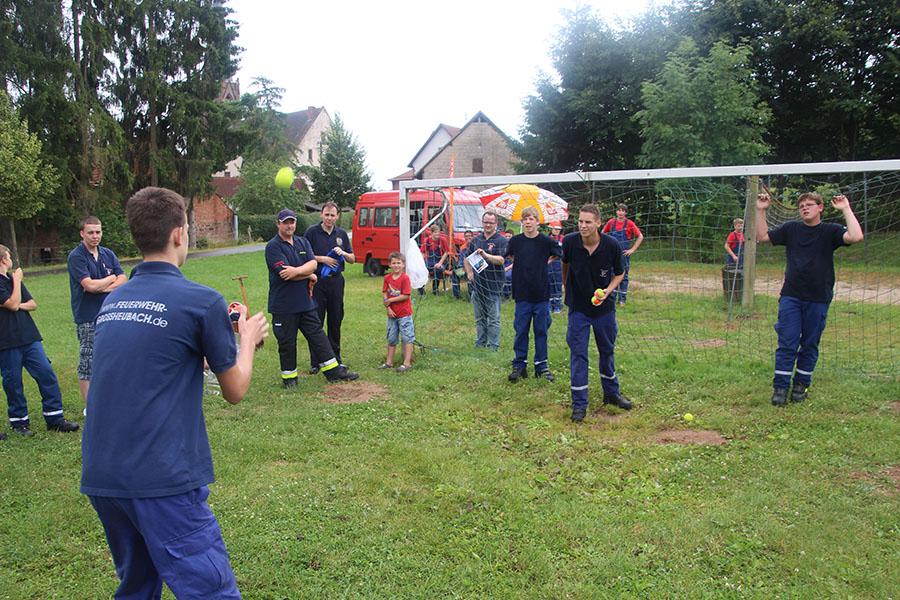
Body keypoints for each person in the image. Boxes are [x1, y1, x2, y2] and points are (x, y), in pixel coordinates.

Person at [80, 187, 269, 598]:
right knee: (209, 590)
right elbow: (234, 388)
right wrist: (247, 340)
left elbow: (149, 358)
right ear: (180, 233)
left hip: (103, 473)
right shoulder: (201, 301)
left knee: (138, 587)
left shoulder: (114, 300)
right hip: (160, 477)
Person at [756, 191, 863, 406]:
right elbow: (763, 237)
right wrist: (760, 210)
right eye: (802, 205)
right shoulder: (791, 229)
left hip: (818, 298)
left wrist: (845, 209)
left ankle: (801, 385)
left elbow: (856, 236)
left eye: (809, 204)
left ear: (820, 207)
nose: (805, 208)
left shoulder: (830, 231)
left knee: (810, 344)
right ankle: (780, 388)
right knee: (787, 341)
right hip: (791, 296)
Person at [266, 209, 358, 386]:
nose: (289, 225)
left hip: (305, 301)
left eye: (292, 222)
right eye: (285, 222)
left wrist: (299, 271)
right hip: (284, 305)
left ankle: (333, 371)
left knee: (318, 336)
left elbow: (313, 263)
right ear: (278, 224)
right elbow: (284, 273)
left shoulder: (302, 242)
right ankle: (289, 379)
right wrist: (308, 274)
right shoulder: (273, 246)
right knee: (287, 342)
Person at [562, 205, 632, 422]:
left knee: (607, 350)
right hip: (578, 309)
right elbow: (565, 265)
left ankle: (611, 394)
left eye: (588, 222)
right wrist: (567, 288)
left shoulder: (612, 245)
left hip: (604, 310)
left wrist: (608, 292)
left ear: (598, 223)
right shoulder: (570, 242)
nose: (583, 226)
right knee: (579, 353)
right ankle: (579, 404)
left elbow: (620, 274)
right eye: (580, 221)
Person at [0, 245, 79, 437]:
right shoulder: (12, 281)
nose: (12, 260)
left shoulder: (10, 279)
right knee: (14, 383)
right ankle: (19, 423)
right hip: (7, 342)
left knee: (46, 374)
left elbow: (32, 304)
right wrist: (17, 284)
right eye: (9, 256)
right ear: (3, 259)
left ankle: (55, 418)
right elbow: (10, 303)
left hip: (30, 337)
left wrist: (16, 302)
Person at [481, 207, 561, 382]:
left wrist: (544, 262)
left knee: (541, 331)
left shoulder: (546, 241)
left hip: (541, 294)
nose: (528, 222)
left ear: (537, 221)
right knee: (521, 330)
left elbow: (558, 254)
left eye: (531, 219)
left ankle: (541, 366)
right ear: (521, 222)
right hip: (522, 293)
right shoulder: (516, 241)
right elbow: (507, 256)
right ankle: (519, 365)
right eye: (525, 219)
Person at [67, 215, 127, 410]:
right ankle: (89, 406)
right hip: (88, 316)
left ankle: (109, 398)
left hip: (110, 313)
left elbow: (123, 279)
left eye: (98, 232)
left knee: (111, 355)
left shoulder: (108, 254)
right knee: (89, 359)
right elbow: (89, 286)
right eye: (91, 232)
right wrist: (110, 279)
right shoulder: (76, 256)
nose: (95, 236)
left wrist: (103, 284)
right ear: (82, 233)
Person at [303, 201, 355, 374]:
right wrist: (323, 259)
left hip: (336, 282)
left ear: (337, 216)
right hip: (316, 281)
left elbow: (353, 258)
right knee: (316, 320)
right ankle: (316, 361)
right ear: (321, 215)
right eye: (327, 214)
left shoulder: (341, 234)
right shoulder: (311, 232)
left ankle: (335, 358)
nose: (329, 218)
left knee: (335, 319)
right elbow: (303, 255)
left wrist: (344, 254)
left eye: (333, 215)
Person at [463, 212, 508, 351]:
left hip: (494, 286)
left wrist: (485, 255)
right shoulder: (476, 240)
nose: (488, 225)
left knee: (493, 318)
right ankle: (480, 343)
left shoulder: (501, 240)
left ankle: (493, 346)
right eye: (485, 222)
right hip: (478, 285)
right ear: (482, 222)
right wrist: (469, 272)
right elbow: (466, 258)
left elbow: (501, 260)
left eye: (491, 222)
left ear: (496, 224)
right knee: (479, 318)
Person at [601, 203, 644, 306]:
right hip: (611, 254)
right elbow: (602, 234)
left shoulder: (630, 224)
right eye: (619, 210)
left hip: (624, 254)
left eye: (623, 210)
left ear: (625, 213)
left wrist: (632, 250)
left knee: (623, 276)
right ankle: (611, 297)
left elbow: (640, 237)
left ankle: (622, 300)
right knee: (612, 275)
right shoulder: (611, 222)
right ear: (616, 212)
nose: (621, 212)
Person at [380, 252, 415, 372]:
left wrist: (390, 300)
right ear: (389, 264)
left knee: (407, 337)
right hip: (392, 315)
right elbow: (384, 293)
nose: (396, 265)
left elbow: (405, 295)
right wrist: (388, 307)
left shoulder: (405, 278)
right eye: (393, 263)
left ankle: (407, 363)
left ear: (403, 265)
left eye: (399, 263)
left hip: (404, 314)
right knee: (391, 338)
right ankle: (389, 362)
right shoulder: (387, 278)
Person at [420, 224, 449, 294]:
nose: (437, 234)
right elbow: (422, 253)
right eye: (435, 232)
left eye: (438, 232)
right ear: (431, 233)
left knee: (439, 269)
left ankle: (435, 289)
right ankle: (421, 289)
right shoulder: (427, 240)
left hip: (440, 261)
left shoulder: (443, 240)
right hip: (429, 261)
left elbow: (446, 252)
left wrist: (440, 263)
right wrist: (421, 264)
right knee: (421, 270)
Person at [451, 230, 475, 300]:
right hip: (464, 269)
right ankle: (456, 296)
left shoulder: (476, 246)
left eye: (470, 236)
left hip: (474, 269)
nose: (468, 238)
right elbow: (460, 261)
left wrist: (470, 269)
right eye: (466, 236)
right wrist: (462, 267)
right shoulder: (462, 248)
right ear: (464, 237)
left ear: (472, 237)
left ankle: (472, 296)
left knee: (471, 275)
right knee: (455, 273)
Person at [547, 221, 565, 313]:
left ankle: (557, 305)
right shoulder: (547, 239)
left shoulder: (563, 239)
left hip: (559, 264)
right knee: (549, 283)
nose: (557, 231)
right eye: (555, 229)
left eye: (558, 229)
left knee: (557, 284)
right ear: (551, 229)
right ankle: (549, 305)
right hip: (548, 264)